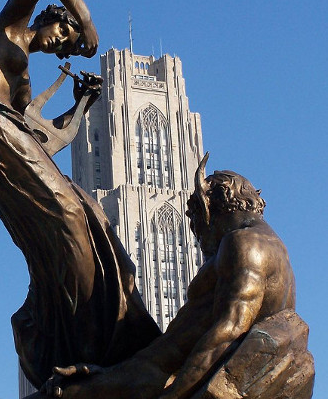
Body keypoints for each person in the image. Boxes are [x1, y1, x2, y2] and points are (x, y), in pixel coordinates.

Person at [0, 0, 160, 390]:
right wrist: (87, 23)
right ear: (49, 17)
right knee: (68, 215)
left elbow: (44, 143)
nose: (59, 42)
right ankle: (84, 339)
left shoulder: (23, 83)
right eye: (61, 32)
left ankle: (69, 333)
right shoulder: (10, 26)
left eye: (66, 42)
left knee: (84, 213)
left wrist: (83, 105)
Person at [36, 153, 296, 399]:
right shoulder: (267, 245)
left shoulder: (246, 244)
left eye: (196, 227)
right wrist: (112, 374)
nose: (200, 240)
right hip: (150, 370)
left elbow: (228, 332)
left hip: (163, 380)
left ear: (208, 209)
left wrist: (172, 395)